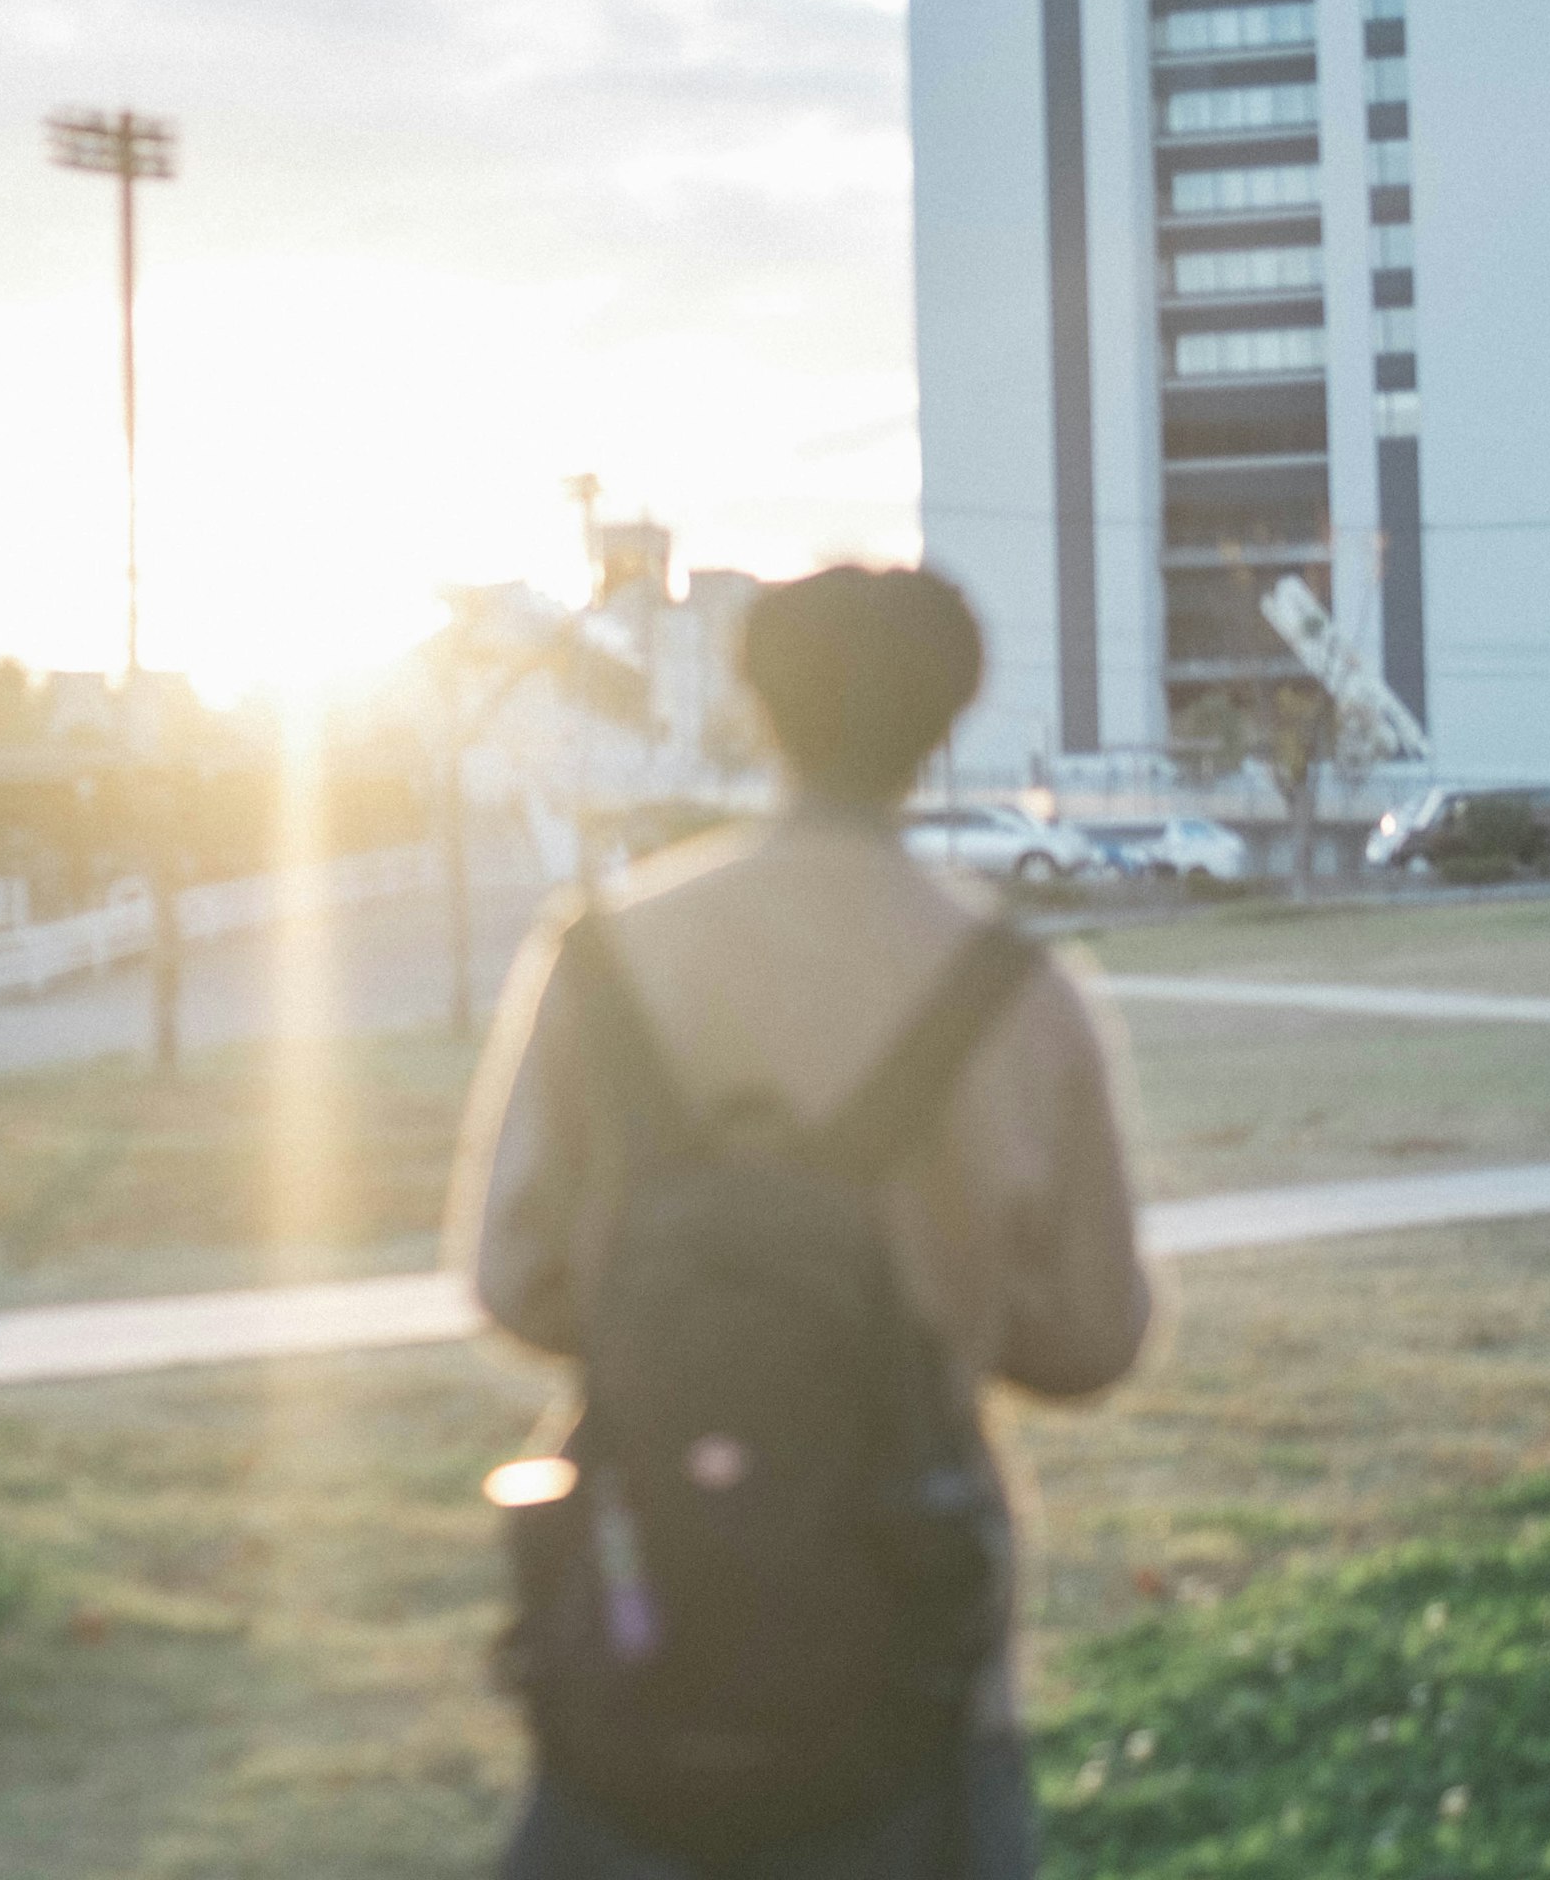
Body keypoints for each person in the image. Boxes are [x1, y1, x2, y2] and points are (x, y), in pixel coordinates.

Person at [451, 564, 1152, 1880]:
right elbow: (1092, 1340)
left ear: (753, 704)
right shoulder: (1019, 992)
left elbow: (511, 1279)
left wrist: (694, 1320)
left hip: (640, 1579)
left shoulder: (599, 951)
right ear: (948, 718)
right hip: (910, 1612)